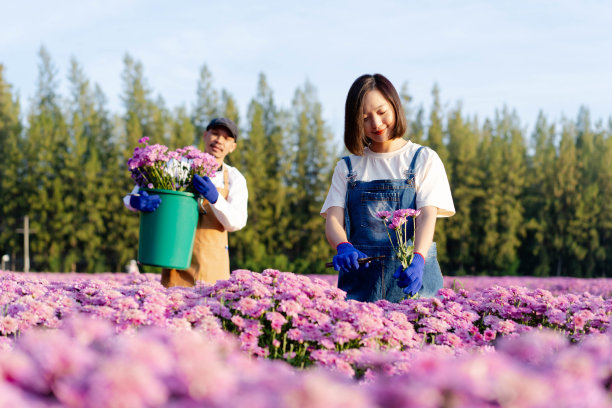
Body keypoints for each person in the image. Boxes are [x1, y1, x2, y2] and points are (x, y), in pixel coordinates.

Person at [321, 74, 455, 302]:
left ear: (395, 106)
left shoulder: (423, 159)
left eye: (382, 113)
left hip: (412, 279)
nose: (376, 124)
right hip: (362, 285)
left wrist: (419, 259)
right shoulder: (348, 167)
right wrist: (343, 245)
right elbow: (333, 219)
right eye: (365, 118)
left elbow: (427, 217)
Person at [124, 117, 248, 288]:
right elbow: (132, 197)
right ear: (205, 135)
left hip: (213, 268)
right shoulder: (178, 166)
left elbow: (237, 222)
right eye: (215, 133)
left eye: (227, 138)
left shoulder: (235, 178)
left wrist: (215, 198)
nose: (219, 140)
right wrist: (137, 202)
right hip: (175, 261)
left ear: (232, 147)